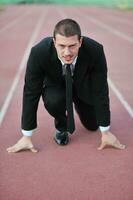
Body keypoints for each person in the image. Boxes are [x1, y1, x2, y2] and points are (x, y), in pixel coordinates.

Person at [7, 18, 125, 153]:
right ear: (54, 42)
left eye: (72, 46)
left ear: (80, 42)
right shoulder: (39, 53)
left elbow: (100, 90)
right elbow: (30, 92)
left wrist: (105, 131)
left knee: (93, 125)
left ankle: (80, 107)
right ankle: (61, 127)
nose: (67, 52)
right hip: (56, 87)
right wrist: (26, 136)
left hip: (83, 87)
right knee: (54, 100)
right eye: (62, 46)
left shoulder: (95, 51)